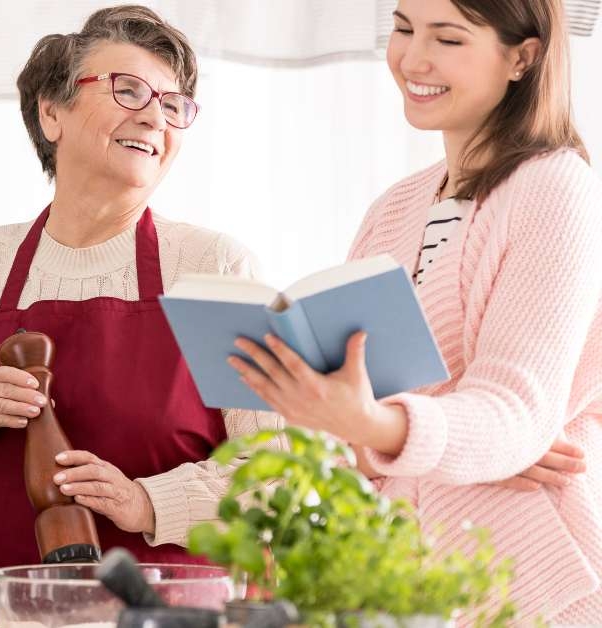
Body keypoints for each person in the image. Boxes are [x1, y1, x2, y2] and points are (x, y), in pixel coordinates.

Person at [0, 6, 282, 627]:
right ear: (51, 112)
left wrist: (146, 502)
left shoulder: (216, 267)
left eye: (172, 104)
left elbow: (285, 477)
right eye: (128, 90)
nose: (153, 116)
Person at [228, 0, 602, 622]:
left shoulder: (554, 186)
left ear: (522, 57)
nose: (413, 58)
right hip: (409, 579)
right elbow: (355, 428)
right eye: (403, 29)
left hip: (538, 581)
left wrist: (381, 427)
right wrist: (338, 418)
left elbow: (516, 413)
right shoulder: (394, 208)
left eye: (448, 38)